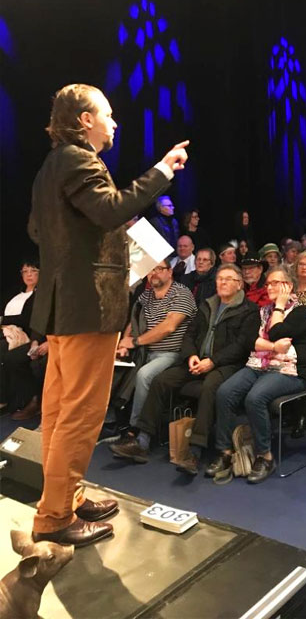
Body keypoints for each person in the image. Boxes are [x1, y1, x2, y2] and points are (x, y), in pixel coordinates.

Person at [27, 82, 188, 547]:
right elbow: (109, 209)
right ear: (85, 120)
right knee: (79, 415)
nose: (114, 123)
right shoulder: (79, 159)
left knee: (60, 412)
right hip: (88, 308)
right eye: (108, 114)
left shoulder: (50, 166)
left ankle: (66, 498)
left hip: (64, 307)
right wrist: (162, 169)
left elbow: (37, 228)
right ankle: (55, 517)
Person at [109, 264, 260, 474]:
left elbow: (241, 345)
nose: (223, 282)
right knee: (161, 380)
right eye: (220, 279)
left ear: (239, 284)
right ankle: (142, 440)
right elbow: (189, 334)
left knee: (209, 387)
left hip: (226, 364)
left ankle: (194, 452)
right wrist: (191, 356)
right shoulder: (207, 304)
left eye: (228, 279)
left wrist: (213, 361)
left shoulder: (249, 310)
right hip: (196, 360)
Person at [207, 267, 306, 484]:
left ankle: (265, 456)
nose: (270, 287)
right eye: (268, 283)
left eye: (275, 283)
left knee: (255, 398)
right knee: (225, 392)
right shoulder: (262, 311)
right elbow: (249, 340)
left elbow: (276, 331)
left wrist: (280, 306)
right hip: (258, 365)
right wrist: (273, 346)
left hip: (290, 371)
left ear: (288, 286)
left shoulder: (300, 312)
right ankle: (225, 452)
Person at [115, 259, 197, 431]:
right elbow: (133, 320)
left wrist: (135, 341)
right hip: (144, 351)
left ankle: (135, 429)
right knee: (114, 366)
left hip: (172, 353)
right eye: (151, 269)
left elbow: (168, 327)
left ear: (170, 272)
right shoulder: (146, 296)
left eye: (159, 269)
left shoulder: (182, 293)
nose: (154, 273)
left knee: (144, 375)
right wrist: (124, 343)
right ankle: (111, 419)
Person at [0, 260, 46, 419]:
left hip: (25, 334)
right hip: (7, 331)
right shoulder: (14, 292)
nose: (29, 275)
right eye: (25, 271)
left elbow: (29, 321)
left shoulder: (41, 295)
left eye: (33, 271)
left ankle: (7, 400)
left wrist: (6, 321)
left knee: (5, 353)